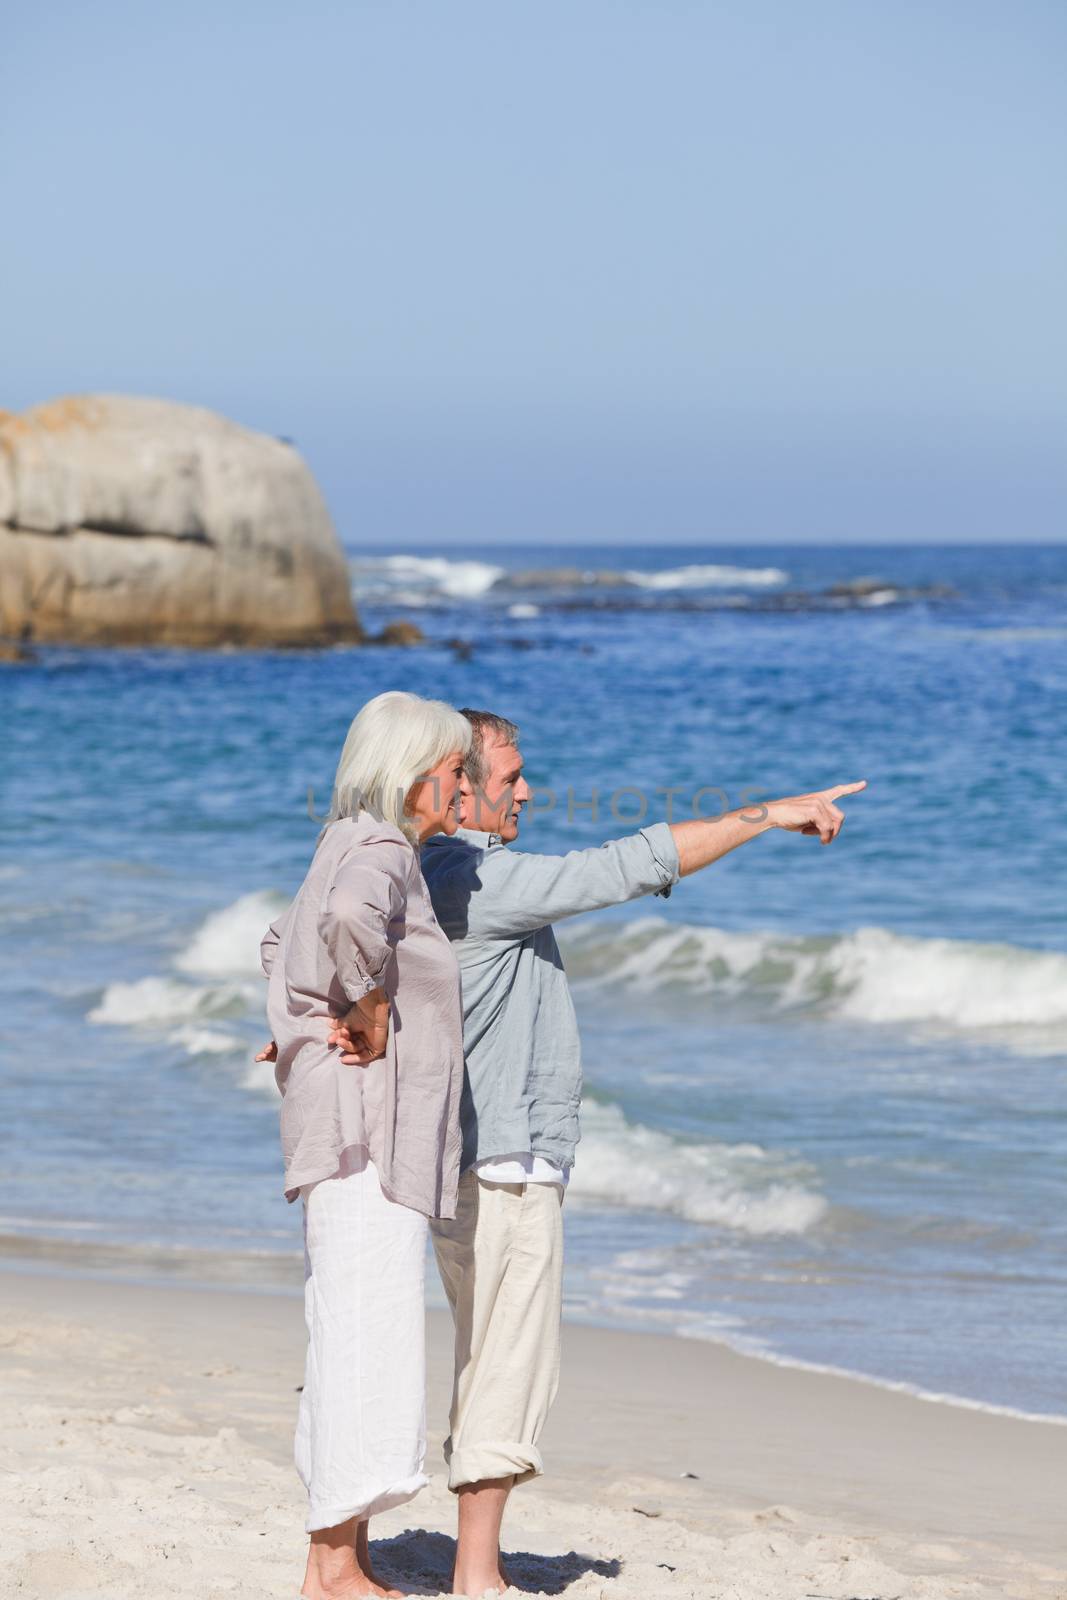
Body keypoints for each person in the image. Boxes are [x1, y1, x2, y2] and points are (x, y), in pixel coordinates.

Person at [341, 708, 865, 1598]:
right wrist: (765, 815)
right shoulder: (473, 878)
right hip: (503, 1161)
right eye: (509, 778)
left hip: (448, 1154)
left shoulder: (402, 873)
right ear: (457, 787)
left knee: (474, 1351)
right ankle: (476, 1573)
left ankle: (367, 1552)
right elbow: (626, 865)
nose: (527, 791)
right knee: (506, 1359)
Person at [257, 689, 472, 1600]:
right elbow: (345, 920)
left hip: (338, 1117)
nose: (462, 786)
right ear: (416, 774)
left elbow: (281, 937)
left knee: (343, 1324)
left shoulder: (342, 837)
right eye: (456, 769)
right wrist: (367, 1004)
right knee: (362, 1331)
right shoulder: (380, 849)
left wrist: (302, 1019)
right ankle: (335, 1570)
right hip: (367, 1130)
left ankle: (338, 1555)